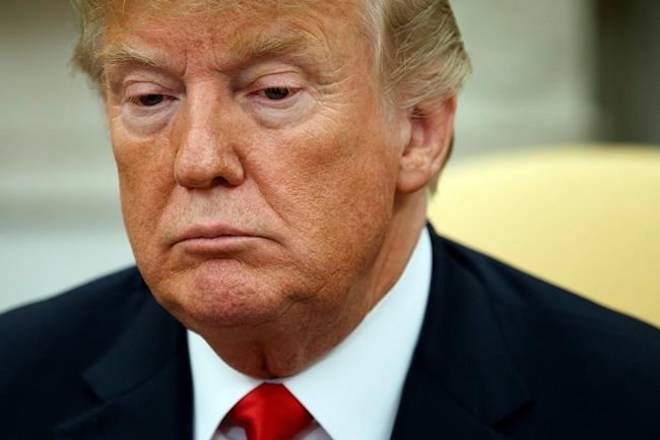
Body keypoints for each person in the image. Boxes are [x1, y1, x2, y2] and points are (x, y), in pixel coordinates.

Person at [1, 1, 659, 438]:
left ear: (418, 131)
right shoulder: (17, 384)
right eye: (149, 97)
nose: (199, 160)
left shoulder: (629, 404)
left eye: (274, 92)